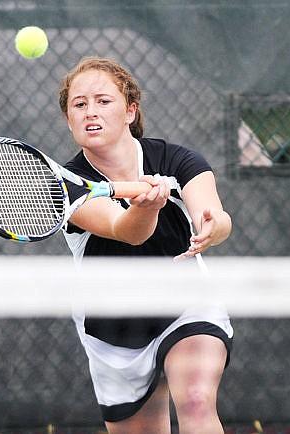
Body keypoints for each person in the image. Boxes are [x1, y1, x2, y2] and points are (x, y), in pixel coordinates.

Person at [58, 56, 233, 434]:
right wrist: (147, 208)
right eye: (79, 104)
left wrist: (212, 225)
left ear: (130, 111)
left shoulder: (176, 159)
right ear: (69, 118)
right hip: (114, 331)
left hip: (187, 304)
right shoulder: (67, 185)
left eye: (104, 101)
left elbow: (214, 215)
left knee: (198, 400)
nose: (91, 112)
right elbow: (126, 230)